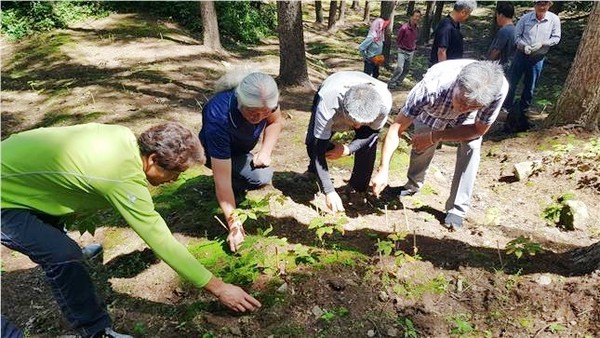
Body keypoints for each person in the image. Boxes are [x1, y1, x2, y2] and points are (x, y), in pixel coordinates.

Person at [1, 122, 261, 338]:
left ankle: (72, 257)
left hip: (21, 176)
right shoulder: (119, 176)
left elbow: (67, 173)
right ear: (153, 159)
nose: (176, 180)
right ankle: (96, 330)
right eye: (176, 174)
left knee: (58, 238)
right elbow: (159, 238)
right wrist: (218, 287)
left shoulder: (124, 137)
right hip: (5, 196)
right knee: (62, 254)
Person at [371, 60, 508, 230]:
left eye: (472, 106)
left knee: (472, 146)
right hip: (433, 111)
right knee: (421, 144)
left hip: (469, 123)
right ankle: (412, 185)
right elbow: (396, 127)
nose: (462, 108)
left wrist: (435, 137)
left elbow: (478, 129)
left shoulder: (496, 91)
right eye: (461, 100)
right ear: (457, 82)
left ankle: (457, 208)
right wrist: (383, 169)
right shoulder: (431, 87)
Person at [199, 71, 282, 252]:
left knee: (263, 174)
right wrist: (235, 224)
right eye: (252, 113)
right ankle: (233, 189)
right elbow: (222, 182)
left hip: (240, 150)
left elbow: (275, 122)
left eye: (264, 112)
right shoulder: (218, 115)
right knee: (249, 178)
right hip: (215, 153)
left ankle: (237, 178)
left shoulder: (268, 101)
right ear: (239, 101)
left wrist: (265, 150)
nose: (259, 118)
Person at [305, 71, 392, 213]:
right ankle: (315, 172)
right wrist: (329, 191)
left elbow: (372, 132)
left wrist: (348, 149)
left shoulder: (383, 104)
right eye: (354, 122)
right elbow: (317, 146)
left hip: (367, 98)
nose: (356, 127)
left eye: (362, 123)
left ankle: (357, 188)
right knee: (312, 144)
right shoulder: (328, 102)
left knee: (368, 145)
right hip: (334, 87)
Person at [504, 0, 561, 132]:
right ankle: (506, 106)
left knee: (530, 85)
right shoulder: (525, 18)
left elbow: (556, 38)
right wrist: (524, 46)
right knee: (512, 81)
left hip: (538, 57)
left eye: (545, 5)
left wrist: (543, 43)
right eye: (539, 5)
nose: (542, 7)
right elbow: (516, 37)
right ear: (535, 6)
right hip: (521, 55)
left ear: (549, 5)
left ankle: (524, 110)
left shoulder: (554, 20)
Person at [429, 0, 478, 67]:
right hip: (443, 70)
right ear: (463, 12)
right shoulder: (446, 27)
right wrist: (445, 71)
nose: (468, 17)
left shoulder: (455, 24)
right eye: (468, 14)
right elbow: (441, 52)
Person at [388, 10, 422, 89]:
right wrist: (401, 46)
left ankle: (399, 81)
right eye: (415, 16)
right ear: (411, 17)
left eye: (418, 16)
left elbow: (416, 38)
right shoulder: (404, 28)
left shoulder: (417, 28)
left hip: (411, 51)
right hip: (402, 50)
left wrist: (413, 46)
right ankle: (392, 82)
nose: (416, 18)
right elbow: (398, 39)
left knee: (406, 69)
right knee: (400, 68)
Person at [487, 2, 516, 74]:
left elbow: (496, 50)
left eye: (497, 15)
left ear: (501, 15)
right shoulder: (515, 29)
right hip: (512, 66)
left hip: (502, 67)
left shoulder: (504, 31)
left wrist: (487, 64)